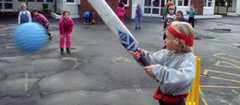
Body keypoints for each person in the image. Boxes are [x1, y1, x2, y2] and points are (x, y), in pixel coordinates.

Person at [131, 21, 195, 105]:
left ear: (178, 41)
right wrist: (141, 55)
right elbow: (152, 59)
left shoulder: (188, 58)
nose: (164, 40)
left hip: (176, 102)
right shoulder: (169, 52)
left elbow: (184, 79)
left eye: (167, 38)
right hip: (164, 98)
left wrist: (159, 71)